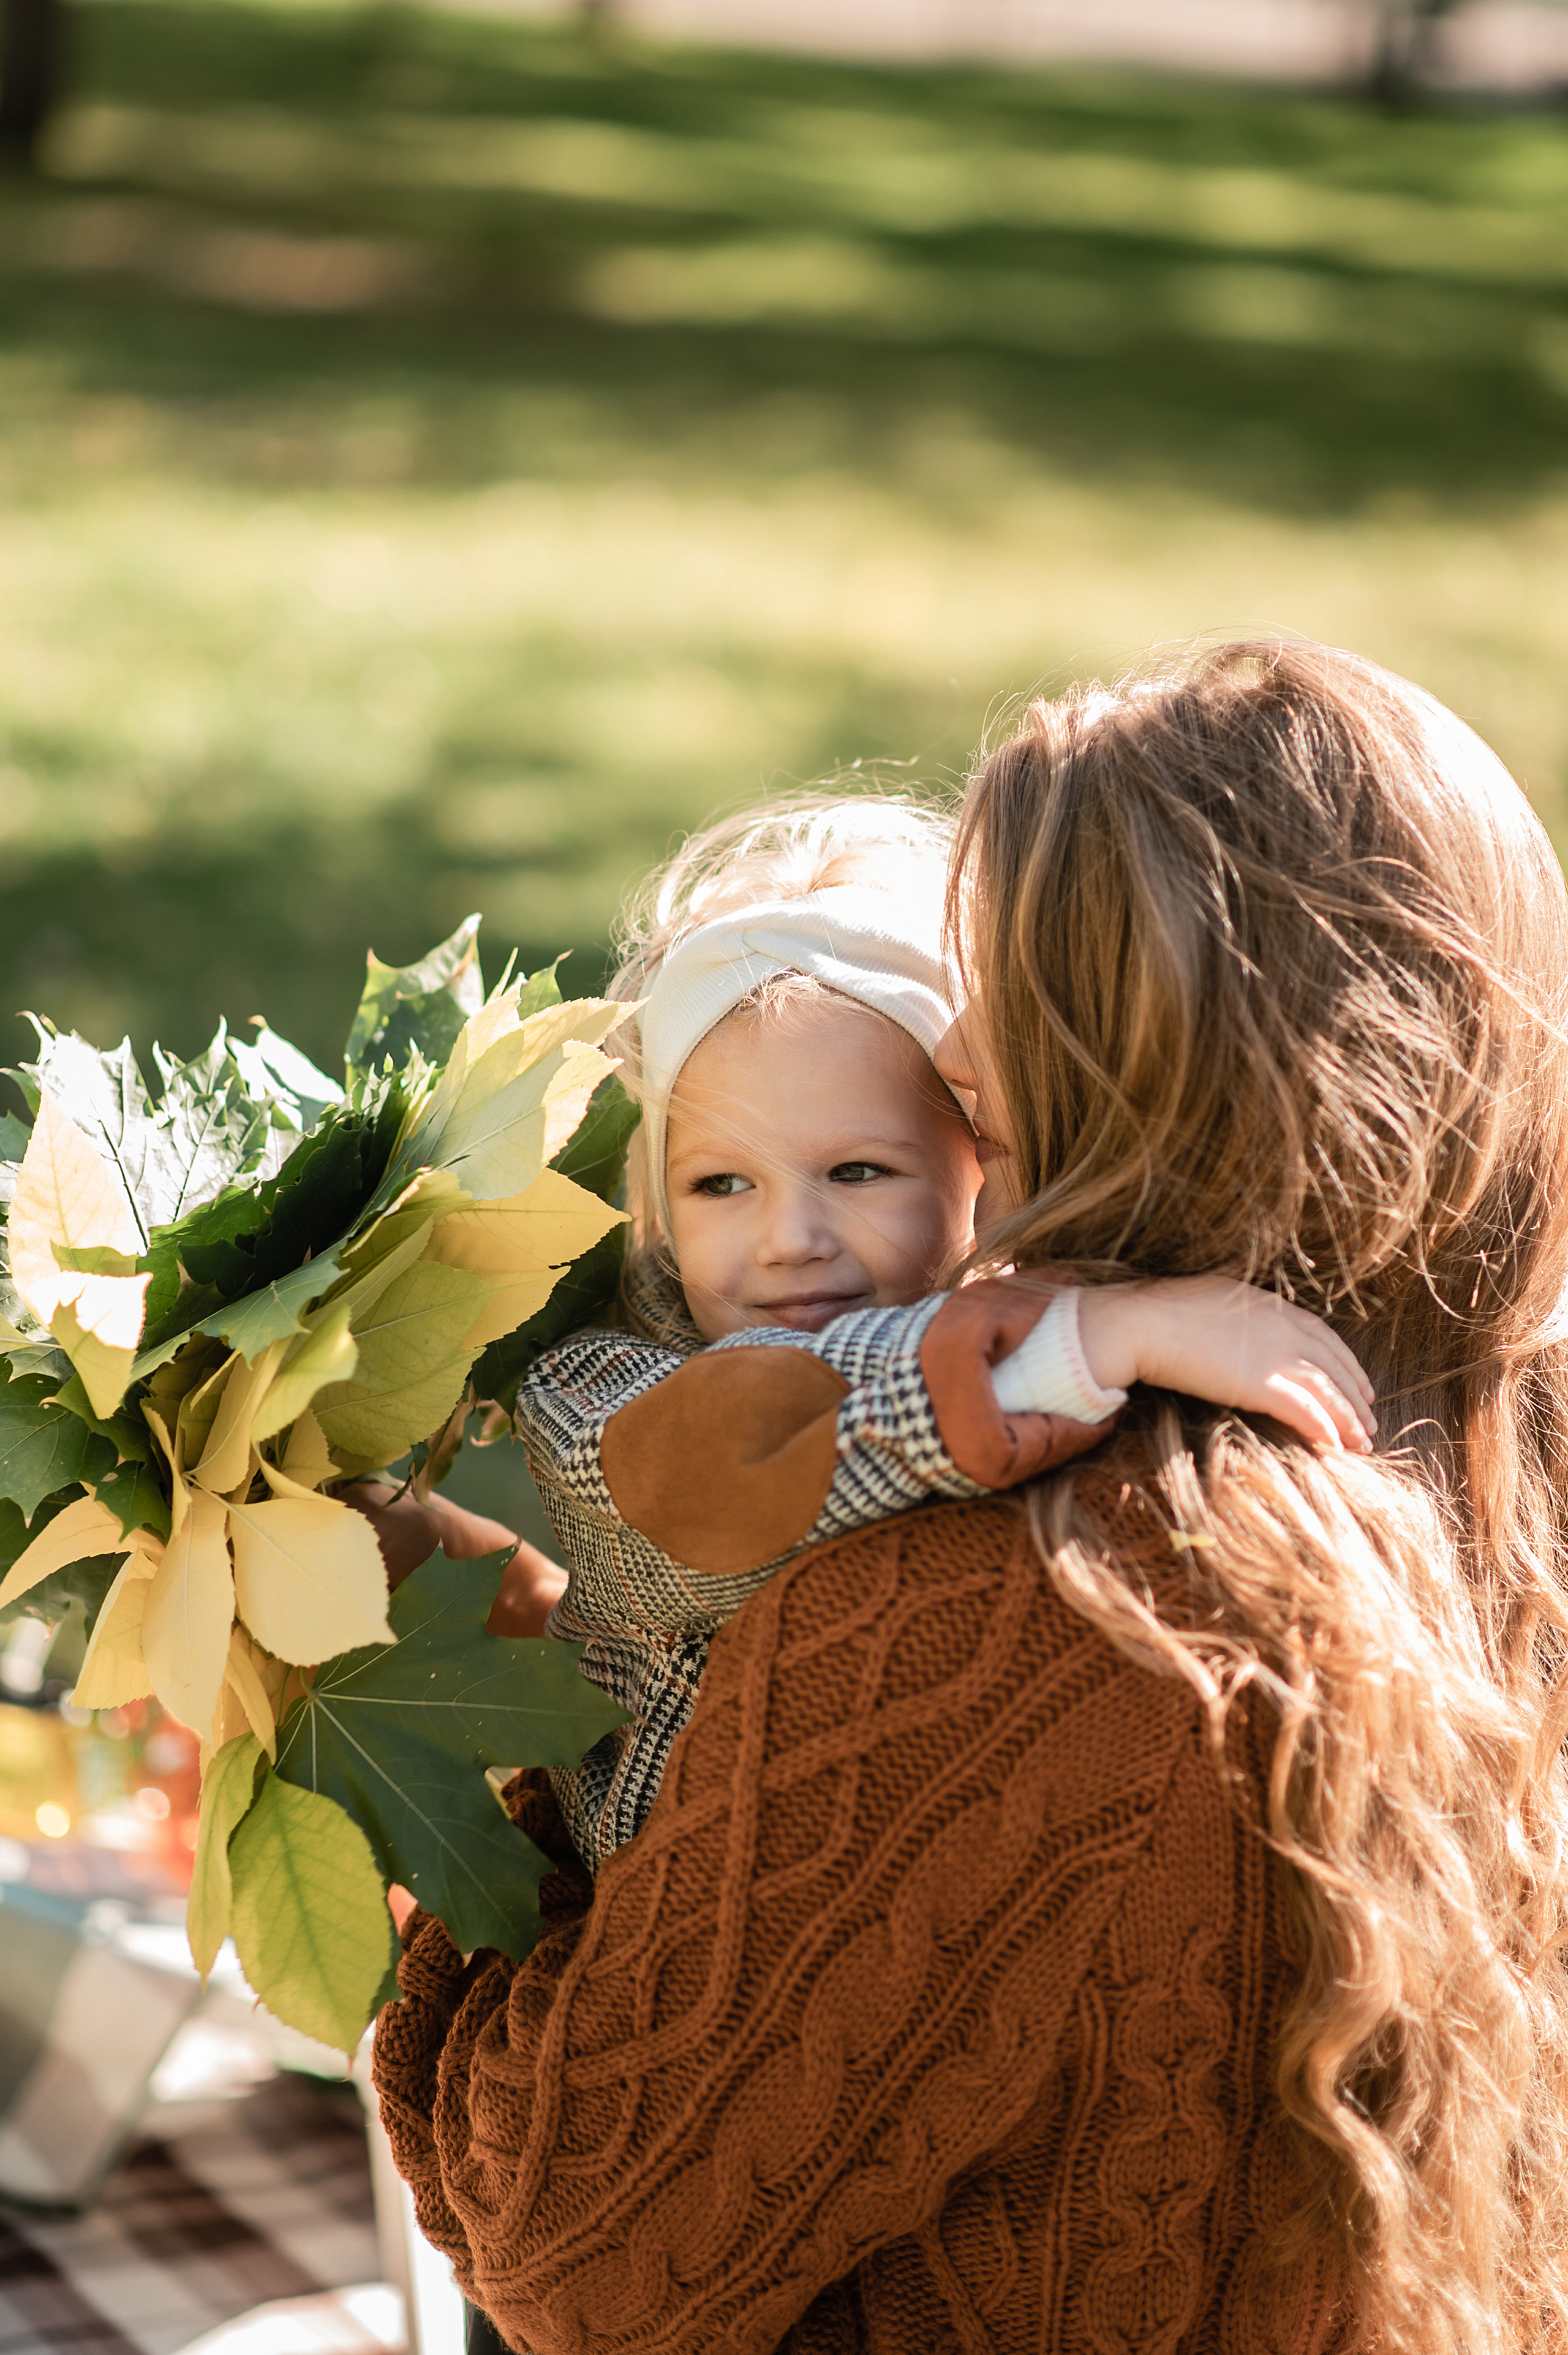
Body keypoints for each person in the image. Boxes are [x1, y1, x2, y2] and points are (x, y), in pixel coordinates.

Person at [374, 640, 1568, 2355]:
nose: (954, 1033)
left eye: (999, 968)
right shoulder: (1508, 1449)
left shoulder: (1024, 1609)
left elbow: (571, 2246)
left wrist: (489, 1826)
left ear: (1142, 1046)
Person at [511, 795, 1373, 1875]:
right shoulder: (596, 1395)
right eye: (719, 1184)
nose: (789, 1239)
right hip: (682, 1945)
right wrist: (1082, 1343)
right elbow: (728, 1462)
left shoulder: (1023, 1307)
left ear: (984, 1164)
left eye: (858, 1171)